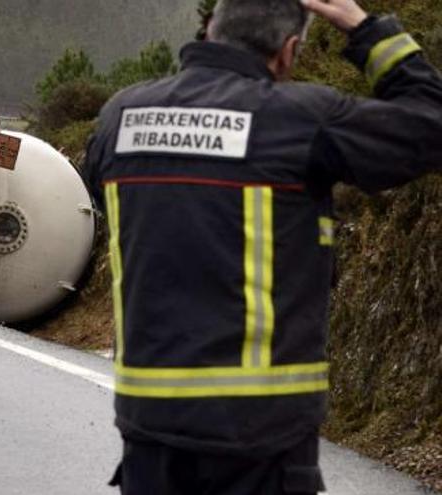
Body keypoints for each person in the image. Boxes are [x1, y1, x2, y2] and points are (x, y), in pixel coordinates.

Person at [82, 0, 442, 493]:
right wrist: (366, 30)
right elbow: (431, 122)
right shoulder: (300, 119)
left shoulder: (120, 115)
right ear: (288, 51)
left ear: (211, 30)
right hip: (261, 441)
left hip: (150, 431)